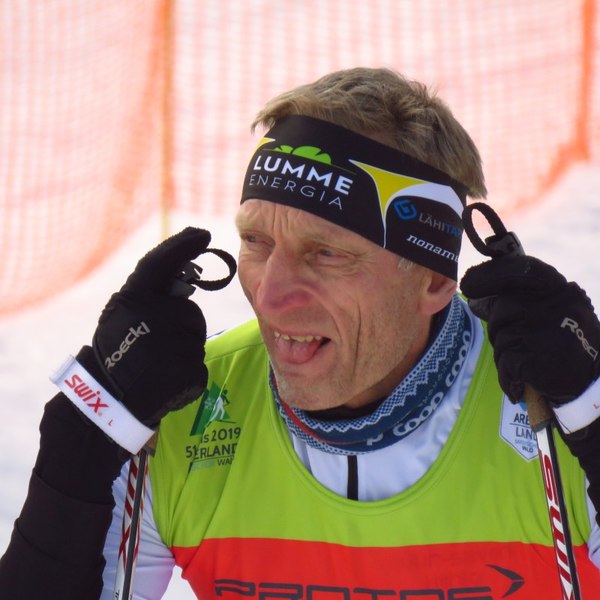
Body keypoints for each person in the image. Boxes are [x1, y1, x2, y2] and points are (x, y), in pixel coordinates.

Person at [1, 67, 600, 599]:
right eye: (257, 242)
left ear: (433, 280)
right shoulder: (184, 409)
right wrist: (86, 432)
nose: (269, 295)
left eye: (325, 254)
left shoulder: (556, 406)